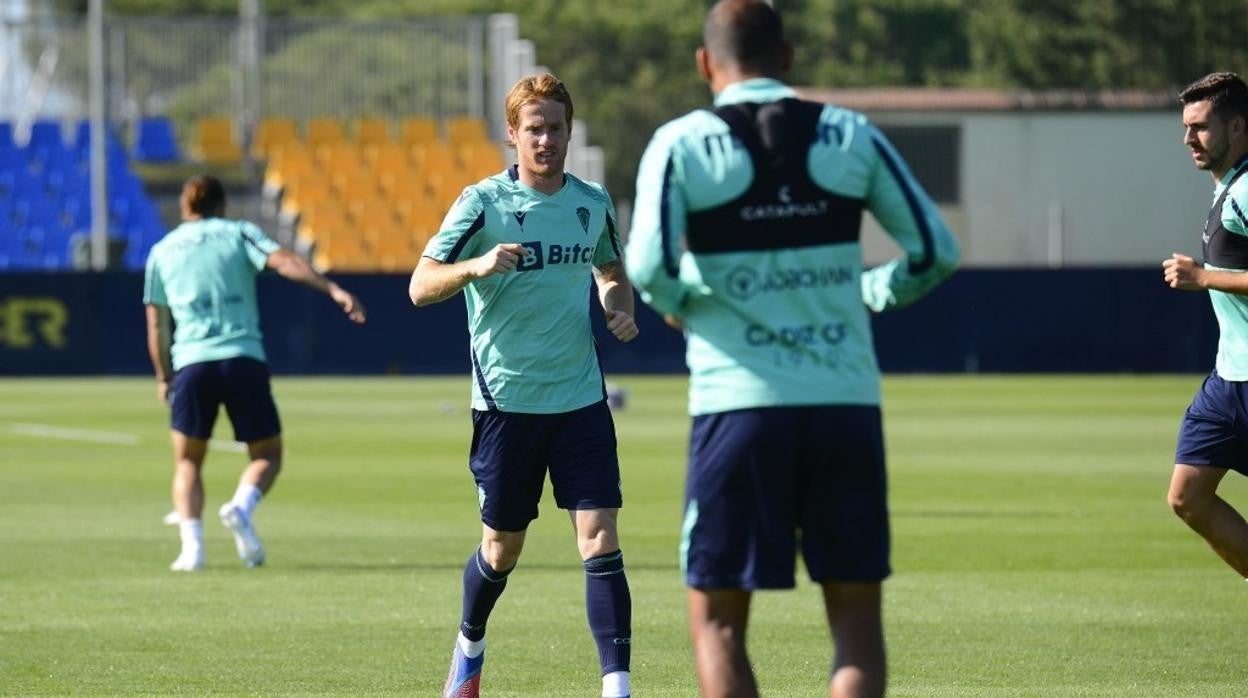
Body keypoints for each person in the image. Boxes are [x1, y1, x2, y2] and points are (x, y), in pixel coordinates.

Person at [626, 1, 960, 696]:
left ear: (704, 63)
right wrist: (866, 292)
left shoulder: (681, 143)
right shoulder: (850, 132)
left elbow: (651, 268)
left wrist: (691, 301)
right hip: (843, 404)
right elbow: (935, 252)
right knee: (857, 623)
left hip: (738, 408)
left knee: (717, 625)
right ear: (788, 57)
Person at [408, 74, 639, 698]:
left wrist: (619, 304)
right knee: (501, 548)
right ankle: (469, 644)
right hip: (507, 406)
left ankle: (616, 687)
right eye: (534, 129)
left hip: (581, 401)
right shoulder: (482, 204)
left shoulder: (592, 202)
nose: (546, 140)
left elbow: (611, 270)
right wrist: (476, 265)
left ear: (569, 131)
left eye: (556, 128)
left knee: (600, 536)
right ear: (513, 134)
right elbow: (420, 284)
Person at [143, 174, 366, 572]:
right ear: (222, 205)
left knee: (188, 461)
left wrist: (163, 376)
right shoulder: (239, 233)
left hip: (192, 362)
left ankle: (192, 550)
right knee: (267, 454)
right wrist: (332, 289)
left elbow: (157, 325)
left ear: (185, 206)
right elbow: (286, 263)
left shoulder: (162, 250)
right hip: (242, 357)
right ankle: (242, 506)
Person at [1163, 72, 1248, 580]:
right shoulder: (1228, 188)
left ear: (1237, 127)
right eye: (1186, 126)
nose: (1188, 139)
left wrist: (1205, 277)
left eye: (1200, 127)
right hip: (1228, 381)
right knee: (1187, 496)